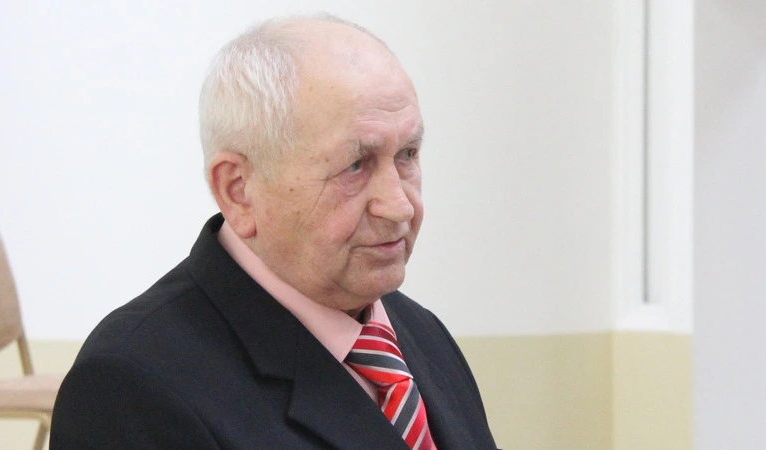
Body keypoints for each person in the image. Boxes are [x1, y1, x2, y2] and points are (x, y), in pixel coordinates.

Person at [51, 14, 497, 450]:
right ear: (239, 190)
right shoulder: (132, 386)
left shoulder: (418, 332)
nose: (399, 205)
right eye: (355, 166)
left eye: (408, 155)